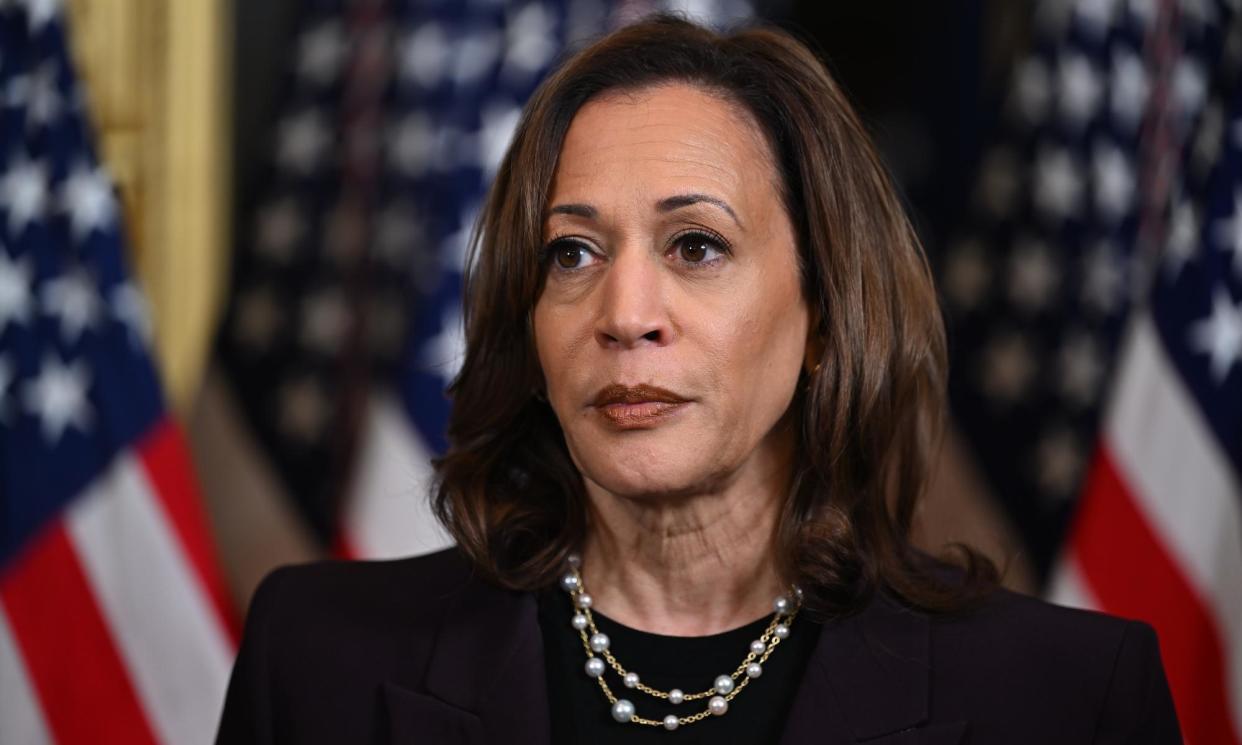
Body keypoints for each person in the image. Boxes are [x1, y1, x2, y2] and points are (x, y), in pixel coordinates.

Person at [216, 15, 1181, 745]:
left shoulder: (1067, 697)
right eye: (572, 254)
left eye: (696, 244)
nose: (626, 313)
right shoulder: (316, 661)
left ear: (825, 320)